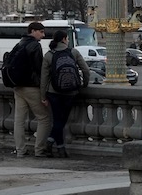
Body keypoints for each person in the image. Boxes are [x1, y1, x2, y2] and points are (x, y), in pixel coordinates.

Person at [39, 29, 89, 158]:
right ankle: (57, 146)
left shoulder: (49, 55)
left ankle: (55, 145)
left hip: (53, 92)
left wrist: (43, 96)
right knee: (62, 120)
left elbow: (44, 78)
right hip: (71, 92)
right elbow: (86, 70)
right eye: (67, 38)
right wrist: (84, 84)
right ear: (64, 39)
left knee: (57, 120)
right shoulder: (73, 52)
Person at [10, 21, 52, 156]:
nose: (43, 35)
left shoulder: (19, 43)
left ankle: (20, 150)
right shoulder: (35, 46)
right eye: (41, 32)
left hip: (17, 86)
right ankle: (39, 149)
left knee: (19, 120)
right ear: (33, 31)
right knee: (44, 118)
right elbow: (39, 68)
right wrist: (43, 91)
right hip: (31, 86)